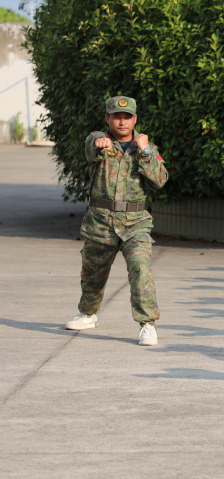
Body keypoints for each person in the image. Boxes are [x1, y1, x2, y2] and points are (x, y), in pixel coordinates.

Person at [65, 96, 169, 346]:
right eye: (117, 117)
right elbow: (91, 145)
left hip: (135, 224)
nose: (122, 122)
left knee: (140, 269)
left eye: (127, 117)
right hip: (100, 223)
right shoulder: (98, 141)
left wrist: (144, 151)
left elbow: (160, 180)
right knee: (92, 274)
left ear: (135, 119)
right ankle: (88, 314)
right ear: (108, 118)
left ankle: (147, 324)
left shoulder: (146, 148)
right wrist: (99, 142)